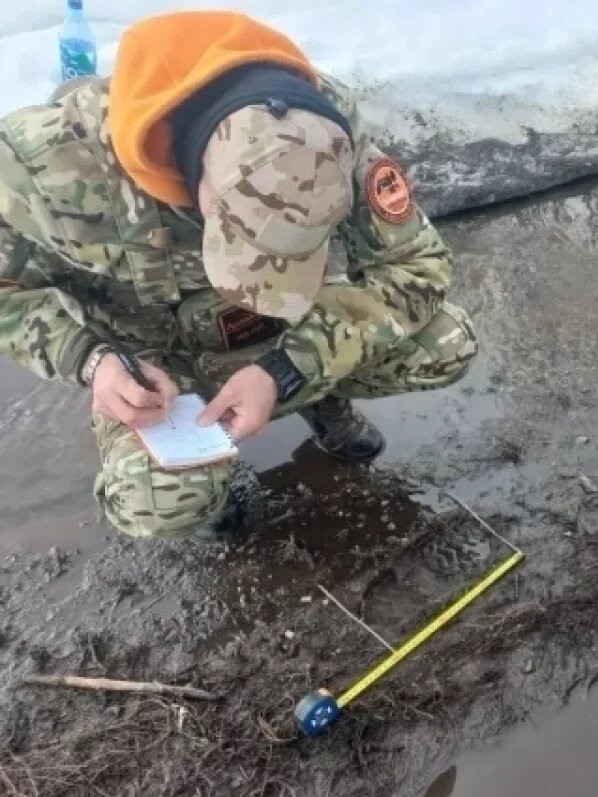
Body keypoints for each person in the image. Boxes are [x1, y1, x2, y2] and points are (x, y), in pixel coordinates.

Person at [0, 11, 478, 541]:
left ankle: (321, 398)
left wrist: (289, 368)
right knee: (157, 503)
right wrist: (92, 360)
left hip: (290, 338)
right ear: (194, 172)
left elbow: (417, 266)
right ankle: (209, 496)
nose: (262, 284)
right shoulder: (41, 164)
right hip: (159, 374)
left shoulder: (321, 127)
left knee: (447, 342)